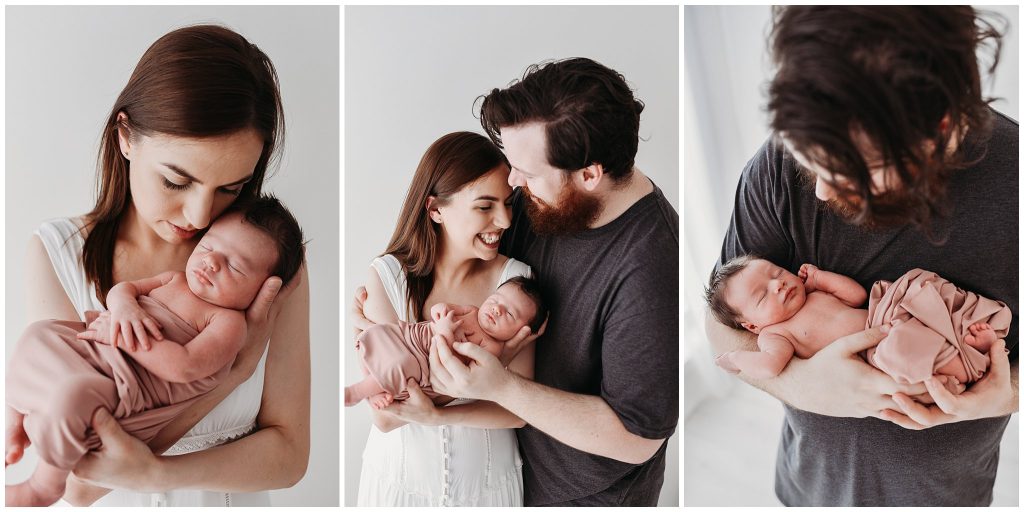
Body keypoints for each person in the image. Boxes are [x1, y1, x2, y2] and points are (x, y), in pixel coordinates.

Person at [704, 6, 1017, 506]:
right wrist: (805, 386)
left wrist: (1013, 391)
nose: (824, 192)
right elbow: (725, 323)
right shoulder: (776, 169)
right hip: (809, 487)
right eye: (814, 164)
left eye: (848, 173)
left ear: (934, 130)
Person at [18, 25, 310, 506]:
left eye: (230, 189)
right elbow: (78, 486)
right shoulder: (58, 250)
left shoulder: (267, 268)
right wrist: (230, 375)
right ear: (125, 137)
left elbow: (290, 457)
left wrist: (157, 470)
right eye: (177, 180)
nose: (199, 217)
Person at [401, 58, 679, 506]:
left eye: (526, 173)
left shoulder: (653, 266)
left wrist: (501, 388)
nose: (511, 182)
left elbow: (637, 436)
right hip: (502, 478)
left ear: (589, 174)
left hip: (584, 498)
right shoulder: (539, 198)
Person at [7, 197, 305, 506]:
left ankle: (42, 485)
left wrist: (126, 338)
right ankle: (17, 418)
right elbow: (126, 290)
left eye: (234, 266)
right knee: (38, 336)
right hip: (99, 355)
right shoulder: (175, 279)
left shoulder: (228, 324)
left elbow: (184, 367)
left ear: (261, 290)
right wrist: (123, 309)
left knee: (76, 395)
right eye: (208, 246)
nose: (212, 261)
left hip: (126, 389)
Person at [354, 131, 538, 506]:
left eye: (506, 203)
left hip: (488, 489)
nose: (504, 220)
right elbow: (386, 418)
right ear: (435, 209)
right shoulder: (388, 277)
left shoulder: (515, 283)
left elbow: (518, 411)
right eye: (485, 206)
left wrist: (436, 415)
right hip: (399, 487)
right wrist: (491, 371)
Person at [706, 257, 1008, 387]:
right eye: (762, 296)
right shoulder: (774, 336)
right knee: (907, 351)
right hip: (875, 352)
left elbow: (856, 295)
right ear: (752, 326)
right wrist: (736, 358)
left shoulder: (812, 292)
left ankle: (969, 328)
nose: (778, 285)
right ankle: (968, 364)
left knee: (916, 287)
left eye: (776, 274)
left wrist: (821, 278)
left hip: (883, 316)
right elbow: (771, 366)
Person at [346, 276, 547, 409]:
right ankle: (372, 385)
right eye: (496, 300)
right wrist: (440, 312)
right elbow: (439, 309)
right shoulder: (472, 310)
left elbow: (457, 368)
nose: (497, 309)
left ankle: (359, 391)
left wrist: (445, 334)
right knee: (381, 332)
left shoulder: (492, 348)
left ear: (520, 332)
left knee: (400, 364)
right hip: (413, 335)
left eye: (510, 313)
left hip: (423, 362)